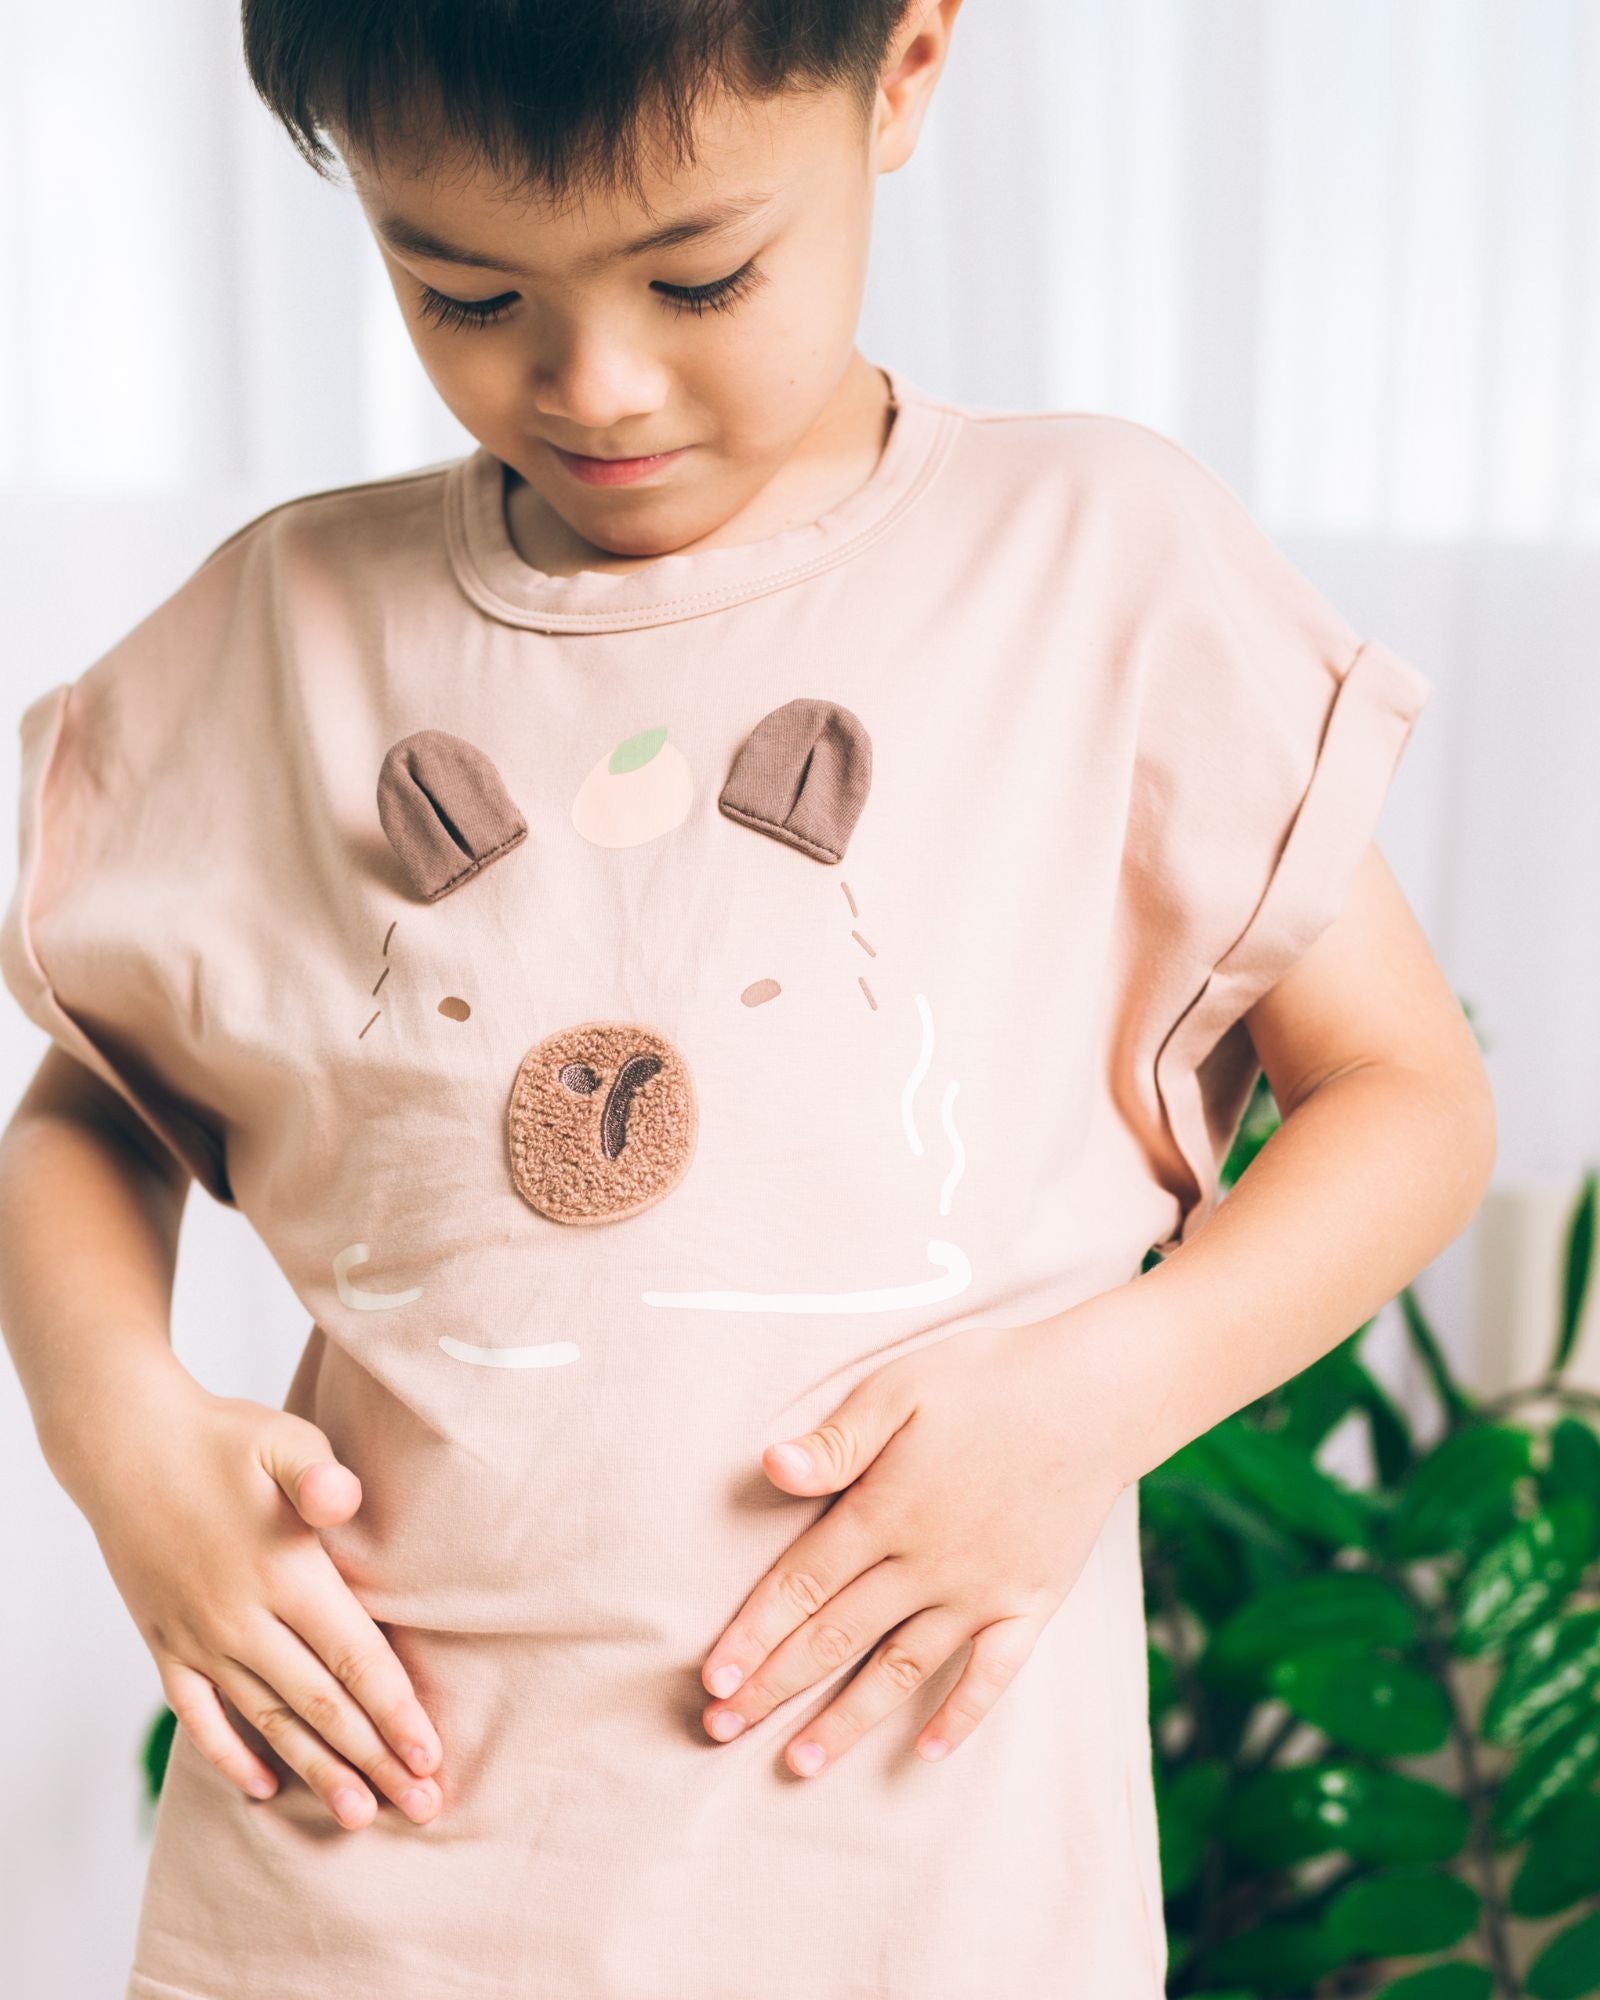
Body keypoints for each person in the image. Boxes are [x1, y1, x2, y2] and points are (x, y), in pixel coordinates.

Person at [0, 1, 1496, 1995]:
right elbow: (94, 1105)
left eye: (698, 272)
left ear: (901, 69)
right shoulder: (284, 628)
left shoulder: (1091, 563)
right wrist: (121, 1433)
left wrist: (1090, 1398)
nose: (593, 381)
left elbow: (1404, 1096)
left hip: (917, 1899)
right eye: (461, 289)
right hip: (355, 1886)